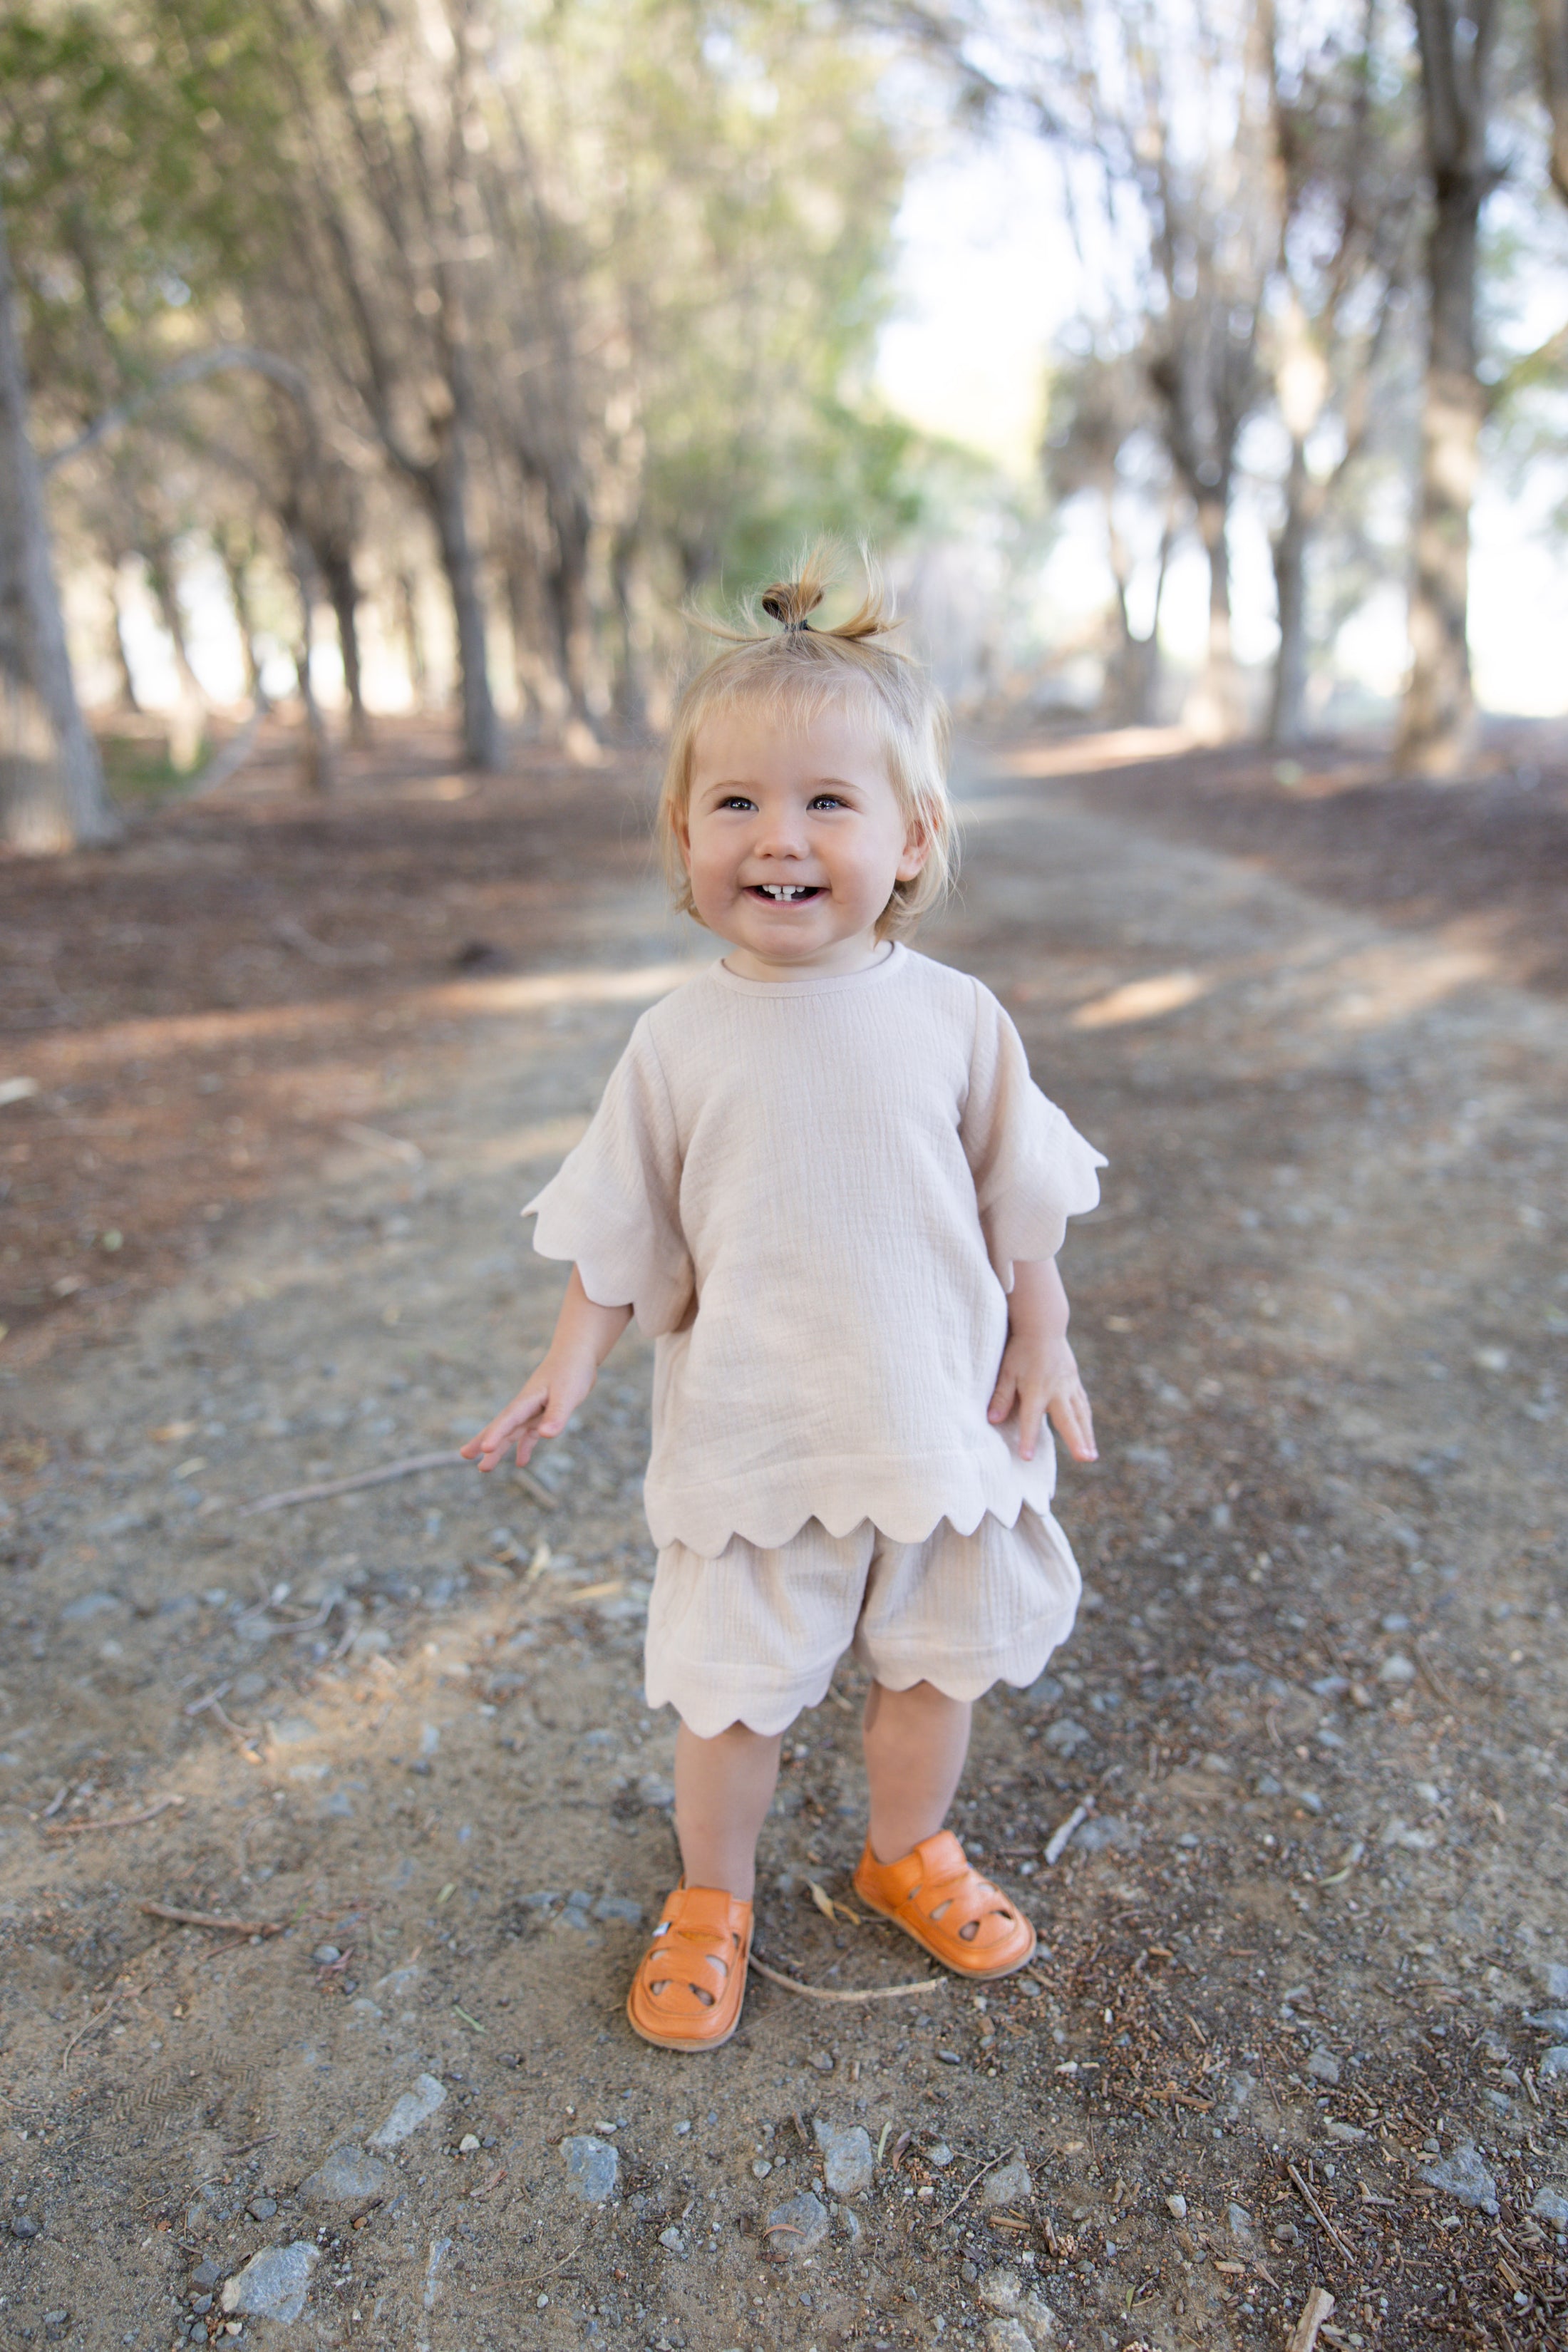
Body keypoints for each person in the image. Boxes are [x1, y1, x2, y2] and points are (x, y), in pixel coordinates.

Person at [462, 550, 1105, 2053]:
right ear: (683, 831)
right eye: (736, 803)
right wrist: (569, 1364)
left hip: (936, 1422)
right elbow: (620, 1222)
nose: (780, 838)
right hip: (755, 1434)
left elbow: (1021, 1195)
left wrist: (1045, 1326)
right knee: (733, 1700)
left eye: (828, 802)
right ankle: (715, 1893)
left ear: (910, 835)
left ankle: (903, 1850)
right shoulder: (678, 1040)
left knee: (930, 1668)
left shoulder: (955, 1019)